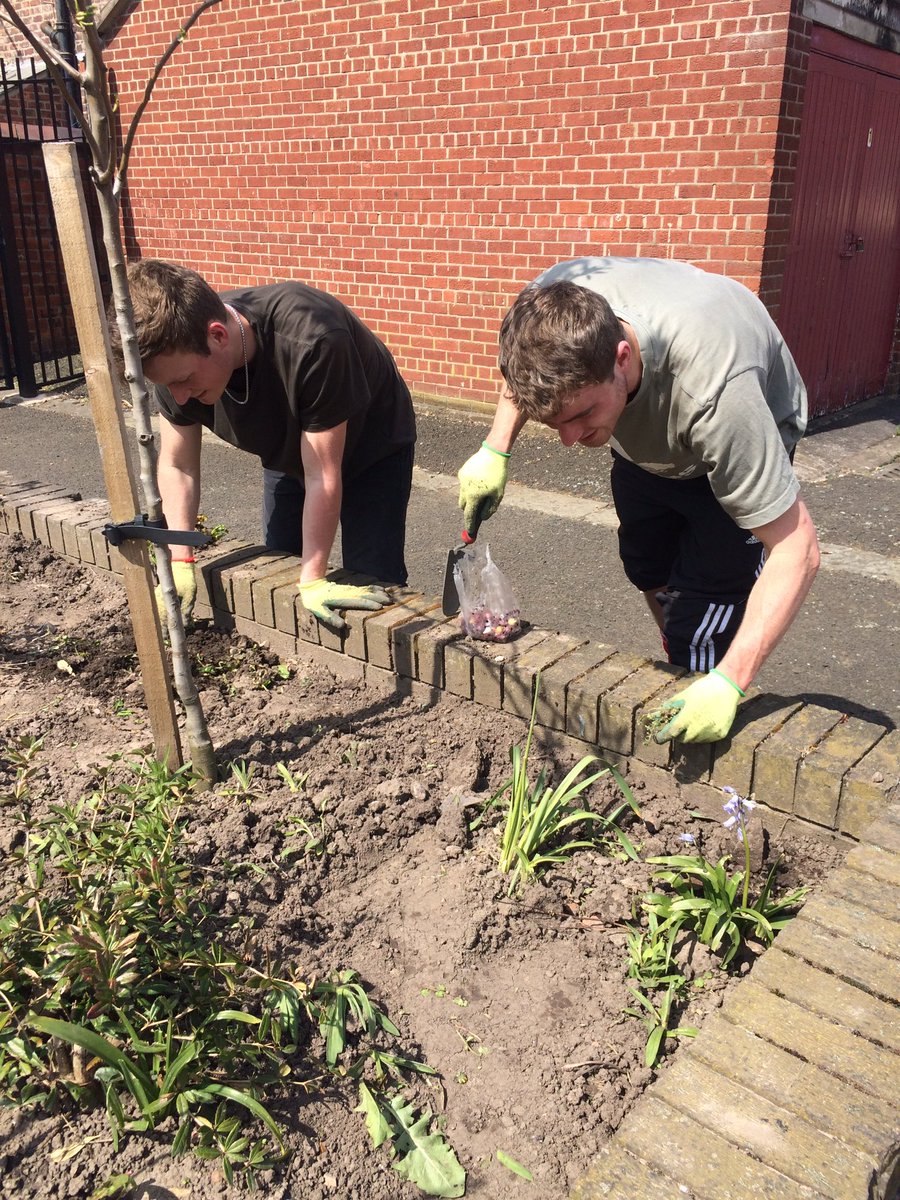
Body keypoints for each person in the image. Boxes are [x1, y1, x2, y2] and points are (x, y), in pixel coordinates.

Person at [457, 257, 820, 743]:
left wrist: (729, 682)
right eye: (554, 422)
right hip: (643, 433)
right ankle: (682, 644)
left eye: (582, 414)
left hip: (737, 425)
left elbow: (798, 548)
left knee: (702, 619)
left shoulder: (718, 398)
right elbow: (522, 380)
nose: (569, 441)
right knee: (646, 567)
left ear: (622, 358)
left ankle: (699, 690)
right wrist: (495, 448)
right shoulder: (548, 309)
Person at [117, 259, 416, 630]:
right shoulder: (171, 359)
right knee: (279, 560)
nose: (179, 398)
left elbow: (322, 472)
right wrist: (180, 557)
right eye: (168, 385)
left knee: (370, 576)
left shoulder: (314, 338)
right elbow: (178, 466)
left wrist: (313, 579)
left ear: (218, 336)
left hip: (373, 447)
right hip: (286, 446)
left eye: (184, 380)